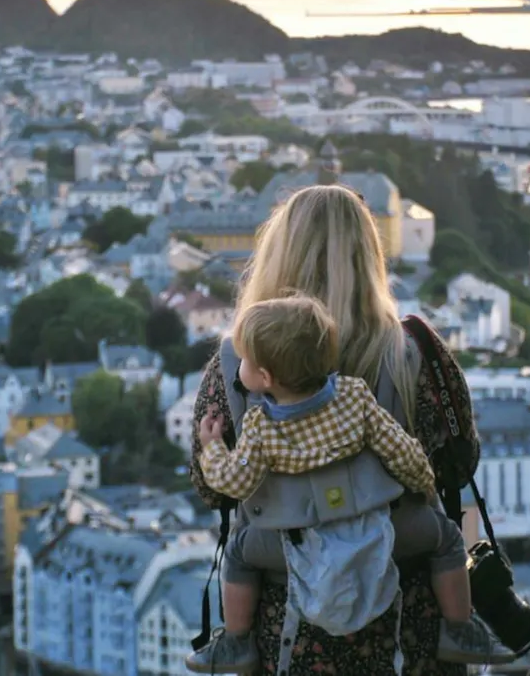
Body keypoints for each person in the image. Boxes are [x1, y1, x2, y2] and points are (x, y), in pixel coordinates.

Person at [189, 183, 488, 676]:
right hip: (404, 621)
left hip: (287, 625)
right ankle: (465, 630)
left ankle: (232, 641)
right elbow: (457, 464)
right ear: (367, 258)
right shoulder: (413, 353)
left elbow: (212, 488)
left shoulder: (235, 366)